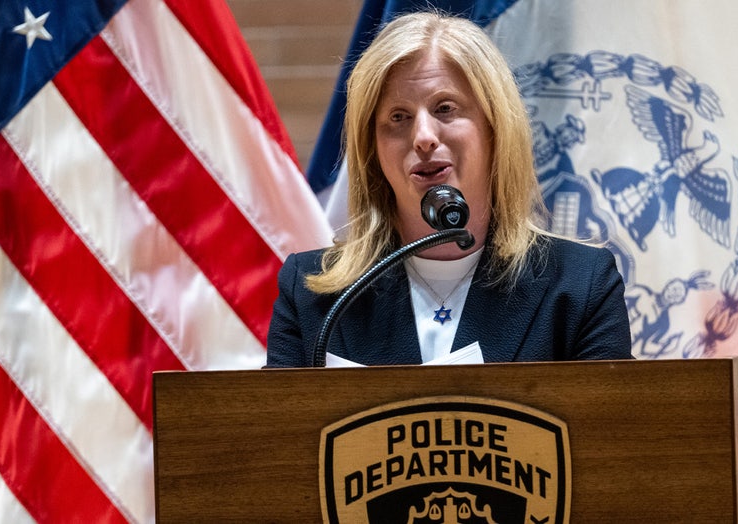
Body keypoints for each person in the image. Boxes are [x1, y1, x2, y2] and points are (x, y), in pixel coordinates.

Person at [266, 11, 632, 367]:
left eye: (445, 108)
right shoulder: (313, 294)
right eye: (398, 117)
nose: (423, 137)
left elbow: (611, 428)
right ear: (372, 151)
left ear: (495, 129)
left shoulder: (581, 285)